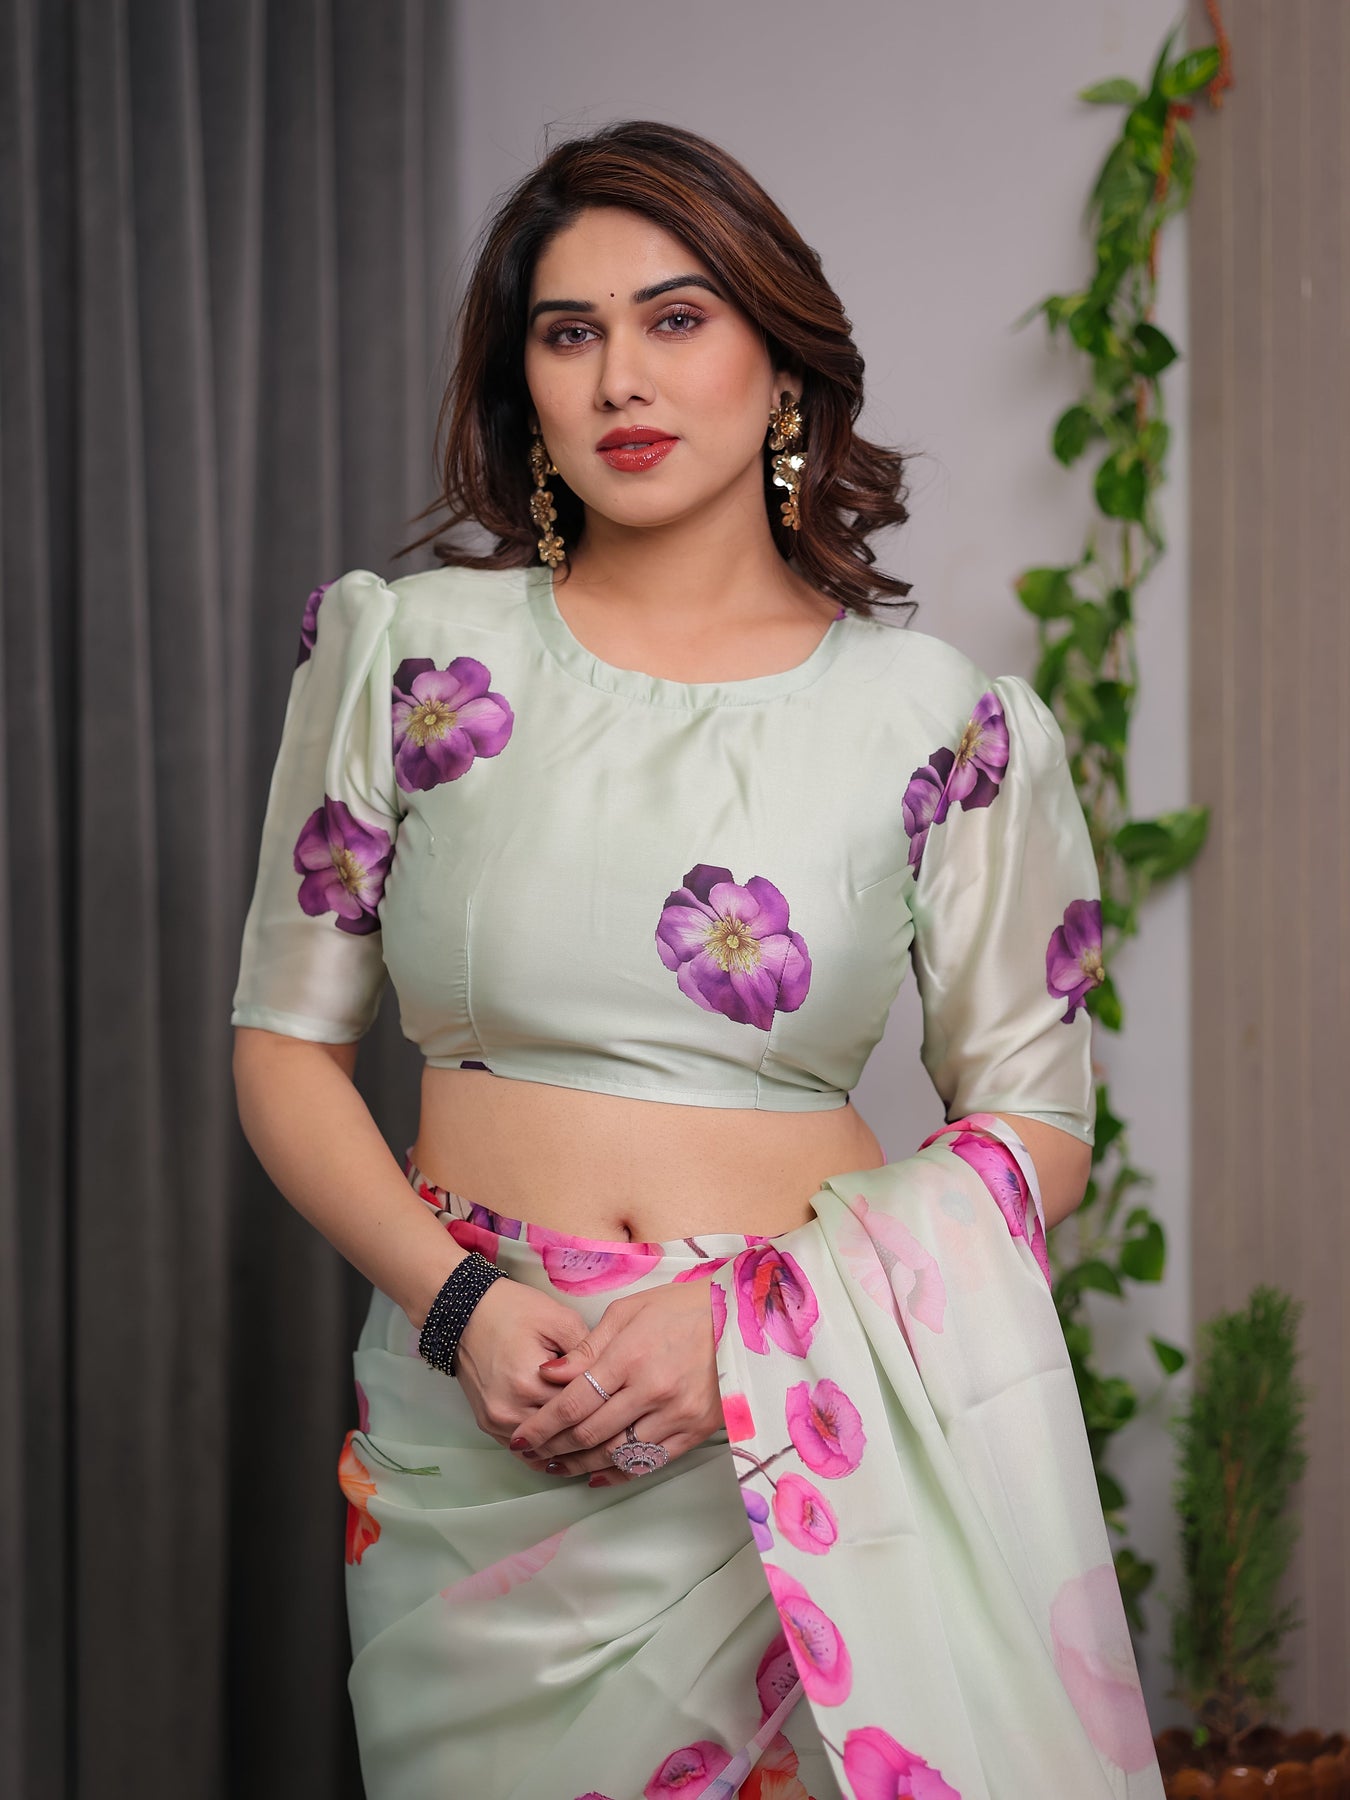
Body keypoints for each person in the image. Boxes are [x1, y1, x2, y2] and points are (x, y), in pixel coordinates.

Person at [231, 121, 1163, 1800]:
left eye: (675, 318)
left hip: (794, 1434)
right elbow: (282, 1046)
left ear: (780, 362)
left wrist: (743, 1324)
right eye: (566, 332)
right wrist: (459, 1306)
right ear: (522, 384)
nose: (619, 379)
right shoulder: (413, 655)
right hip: (475, 1418)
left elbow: (1036, 1123)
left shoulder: (936, 719)